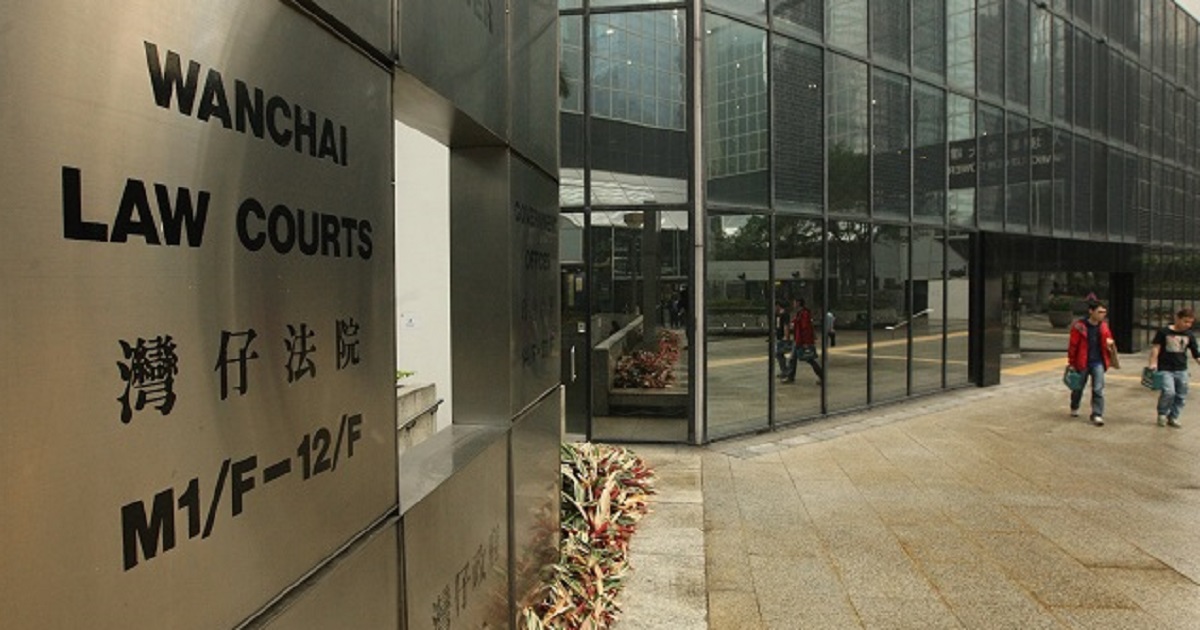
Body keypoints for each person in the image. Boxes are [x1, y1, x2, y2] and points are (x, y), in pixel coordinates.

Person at [1148, 306, 1200, 428]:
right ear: (1177, 319)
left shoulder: (1189, 335)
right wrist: (1153, 363)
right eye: (1185, 321)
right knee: (1169, 392)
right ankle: (1162, 413)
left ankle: (1174, 416)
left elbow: (1195, 353)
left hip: (1181, 369)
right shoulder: (1164, 332)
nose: (1187, 325)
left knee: (1181, 395)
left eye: (1190, 322)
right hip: (1165, 368)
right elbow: (1156, 348)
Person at [1066, 300, 1116, 426]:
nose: (1102, 315)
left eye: (1104, 312)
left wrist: (1110, 345)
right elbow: (1073, 345)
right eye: (1100, 312)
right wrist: (1072, 362)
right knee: (1078, 388)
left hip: (1098, 362)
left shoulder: (1104, 326)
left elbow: (1109, 339)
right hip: (1082, 361)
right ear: (1091, 311)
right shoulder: (1079, 326)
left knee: (1098, 389)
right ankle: (1074, 405)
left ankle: (1097, 414)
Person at [784, 298, 823, 384]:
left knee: (809, 359)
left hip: (802, 341)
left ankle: (821, 375)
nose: (793, 304)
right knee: (792, 359)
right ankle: (790, 376)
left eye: (794, 302)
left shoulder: (804, 314)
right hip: (797, 340)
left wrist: (806, 342)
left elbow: (806, 329)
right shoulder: (799, 313)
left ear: (798, 303)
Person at [774, 301, 792, 379]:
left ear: (778, 306)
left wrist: (786, 336)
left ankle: (786, 371)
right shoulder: (778, 315)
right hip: (779, 336)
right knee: (779, 354)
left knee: (779, 353)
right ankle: (784, 370)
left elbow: (786, 325)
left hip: (783, 337)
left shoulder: (785, 314)